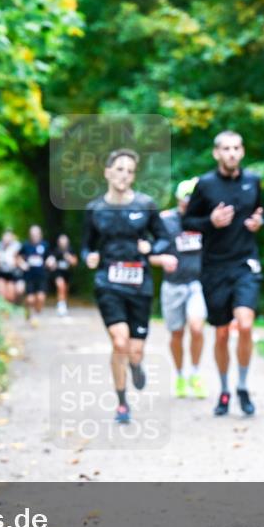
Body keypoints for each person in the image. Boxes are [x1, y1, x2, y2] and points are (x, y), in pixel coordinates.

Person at [81, 148, 178, 423]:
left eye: (130, 171)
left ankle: (136, 365)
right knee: (119, 341)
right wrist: (88, 257)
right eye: (120, 169)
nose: (124, 175)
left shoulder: (145, 205)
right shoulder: (95, 209)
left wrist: (152, 246)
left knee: (135, 350)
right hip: (107, 282)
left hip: (139, 284)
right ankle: (122, 403)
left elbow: (163, 239)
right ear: (108, 172)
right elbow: (85, 246)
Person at [183, 131, 264, 417]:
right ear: (216, 153)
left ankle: (242, 386)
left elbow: (259, 212)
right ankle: (225, 389)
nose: (231, 153)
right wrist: (210, 221)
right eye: (226, 148)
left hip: (245, 263)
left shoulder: (253, 180)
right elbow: (187, 221)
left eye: (236, 148)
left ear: (242, 152)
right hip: (214, 267)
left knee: (244, 324)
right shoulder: (204, 185)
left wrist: (258, 222)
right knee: (219, 334)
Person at [160, 177, 208, 399]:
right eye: (186, 199)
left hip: (196, 283)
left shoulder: (203, 221)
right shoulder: (166, 220)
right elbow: (149, 248)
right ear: (179, 199)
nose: (189, 203)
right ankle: (180, 375)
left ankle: (195, 374)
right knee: (176, 333)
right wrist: (161, 258)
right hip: (172, 284)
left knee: (197, 328)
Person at [17, 225, 52, 323]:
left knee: (40, 298)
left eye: (36, 233)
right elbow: (18, 257)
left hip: (41, 275)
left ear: (40, 234)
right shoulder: (25, 245)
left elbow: (50, 257)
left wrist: (50, 261)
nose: (35, 235)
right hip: (29, 276)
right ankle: (28, 311)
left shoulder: (45, 245)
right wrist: (22, 264)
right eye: (33, 234)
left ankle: (36, 313)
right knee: (30, 299)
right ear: (30, 235)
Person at [0, 230, 21, 304]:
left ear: (12, 238)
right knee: (2, 294)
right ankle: (3, 312)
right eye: (5, 236)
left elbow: (20, 261)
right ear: (2, 237)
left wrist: (15, 262)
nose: (7, 238)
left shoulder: (17, 247)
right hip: (0, 273)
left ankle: (8, 309)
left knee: (10, 296)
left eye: (8, 236)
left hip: (12, 274)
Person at [51, 234, 78, 316]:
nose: (63, 242)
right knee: (60, 286)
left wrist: (69, 258)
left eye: (64, 240)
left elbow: (75, 262)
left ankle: (63, 304)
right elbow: (51, 261)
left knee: (65, 290)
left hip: (67, 274)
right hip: (58, 273)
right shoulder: (56, 251)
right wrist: (52, 263)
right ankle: (61, 306)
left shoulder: (70, 250)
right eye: (61, 241)